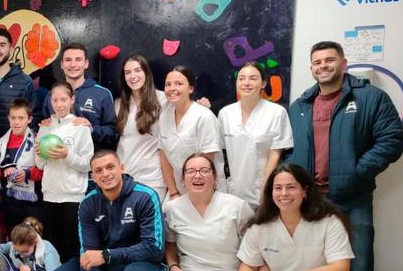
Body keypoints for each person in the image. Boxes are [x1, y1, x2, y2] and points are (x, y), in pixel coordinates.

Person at [286, 41, 403, 271]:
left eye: (329, 60)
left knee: (360, 269)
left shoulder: (370, 98)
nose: (323, 66)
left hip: (353, 201)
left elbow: (392, 139)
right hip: (312, 204)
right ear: (311, 68)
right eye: (317, 62)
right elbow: (287, 150)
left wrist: (358, 171)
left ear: (343, 63)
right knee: (313, 267)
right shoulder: (300, 106)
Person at [46, 150, 166, 271]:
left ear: (122, 168)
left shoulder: (145, 196)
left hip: (141, 264)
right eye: (99, 170)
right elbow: (89, 255)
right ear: (93, 176)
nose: (105, 174)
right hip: (108, 264)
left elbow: (154, 248)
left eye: (110, 167)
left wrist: (108, 255)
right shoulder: (88, 203)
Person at [218, 62, 293, 209]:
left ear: (263, 83)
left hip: (262, 188)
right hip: (233, 188)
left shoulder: (276, 112)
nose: (246, 83)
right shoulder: (225, 113)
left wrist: (266, 188)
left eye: (253, 78)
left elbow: (275, 154)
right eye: (241, 78)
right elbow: (222, 155)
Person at [35, 82, 94, 262]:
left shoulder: (81, 127)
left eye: (63, 99)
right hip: (50, 195)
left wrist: (67, 155)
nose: (59, 104)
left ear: (72, 100)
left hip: (73, 197)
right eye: (55, 100)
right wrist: (41, 154)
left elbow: (87, 164)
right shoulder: (45, 127)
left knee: (73, 248)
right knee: (52, 247)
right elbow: (39, 164)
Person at [158, 65, 226, 199]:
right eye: (168, 84)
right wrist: (173, 192)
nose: (172, 88)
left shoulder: (203, 116)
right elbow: (164, 156)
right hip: (178, 193)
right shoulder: (164, 116)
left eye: (178, 84)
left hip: (207, 192)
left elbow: (207, 161)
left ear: (190, 88)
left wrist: (196, 196)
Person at [42, 43, 116, 150]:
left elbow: (113, 133)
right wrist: (45, 126)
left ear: (86, 64)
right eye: (68, 60)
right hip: (58, 158)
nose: (73, 65)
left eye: (78, 59)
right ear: (62, 64)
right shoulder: (51, 95)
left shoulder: (103, 94)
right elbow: (43, 128)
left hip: (92, 158)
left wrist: (91, 129)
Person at [114, 55, 168, 200]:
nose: (133, 76)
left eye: (137, 70)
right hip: (125, 177)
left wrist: (200, 105)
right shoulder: (119, 104)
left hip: (153, 178)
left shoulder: (163, 100)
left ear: (146, 73)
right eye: (128, 72)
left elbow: (184, 110)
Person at [0, 98, 43, 232]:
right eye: (13, 118)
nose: (17, 122)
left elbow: (45, 171)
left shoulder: (37, 141)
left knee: (33, 237)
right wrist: (4, 172)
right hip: (10, 200)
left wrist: (27, 174)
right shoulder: (1, 142)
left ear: (29, 119)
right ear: (8, 118)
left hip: (33, 201)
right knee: (12, 235)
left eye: (21, 118)